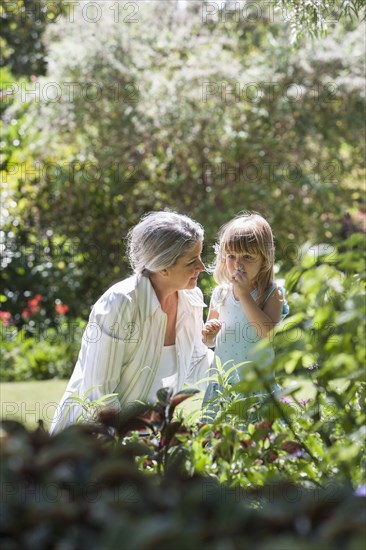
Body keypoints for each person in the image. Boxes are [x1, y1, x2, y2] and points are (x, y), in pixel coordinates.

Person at [50, 211, 213, 434]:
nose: (202, 267)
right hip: (92, 443)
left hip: (147, 441)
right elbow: (100, 394)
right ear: (163, 266)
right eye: (192, 261)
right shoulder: (120, 304)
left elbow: (197, 362)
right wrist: (126, 444)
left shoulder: (191, 299)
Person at [201, 211, 289, 423]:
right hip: (224, 384)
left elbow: (267, 333)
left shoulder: (271, 294)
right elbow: (208, 341)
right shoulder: (220, 294)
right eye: (231, 256)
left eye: (247, 257)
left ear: (265, 260)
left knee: (255, 446)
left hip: (256, 386)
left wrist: (243, 295)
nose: (237, 264)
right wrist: (209, 334)